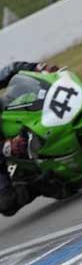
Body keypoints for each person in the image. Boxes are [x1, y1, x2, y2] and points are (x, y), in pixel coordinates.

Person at [0, 62, 58, 216]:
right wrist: (6, 147)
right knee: (7, 204)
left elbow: (9, 70)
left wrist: (37, 68)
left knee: (22, 88)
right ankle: (41, 183)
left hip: (6, 115)